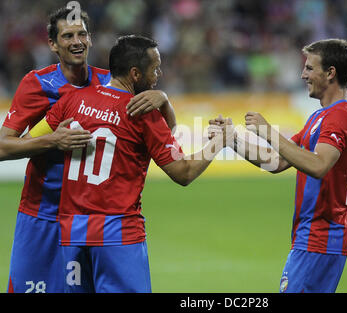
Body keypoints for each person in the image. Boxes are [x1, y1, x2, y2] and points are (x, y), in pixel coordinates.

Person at [27, 34, 229, 293]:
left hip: (71, 234)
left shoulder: (72, 100)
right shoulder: (142, 114)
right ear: (135, 74)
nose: (158, 74)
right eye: (154, 68)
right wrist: (219, 141)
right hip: (117, 235)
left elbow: (30, 141)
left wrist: (56, 140)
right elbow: (183, 172)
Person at [0, 7, 176, 293]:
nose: (76, 41)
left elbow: (163, 134)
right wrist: (52, 141)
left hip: (89, 222)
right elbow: (3, 146)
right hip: (42, 213)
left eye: (82, 34)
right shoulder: (37, 84)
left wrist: (164, 100)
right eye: (67, 35)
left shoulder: (110, 82)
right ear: (53, 45)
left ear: (91, 39)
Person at [210, 39, 347, 293]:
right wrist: (231, 139)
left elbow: (320, 164)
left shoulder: (340, 117)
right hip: (308, 238)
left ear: (330, 72)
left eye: (310, 68)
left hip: (321, 238)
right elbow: (277, 160)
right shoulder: (319, 117)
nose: (303, 75)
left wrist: (268, 132)